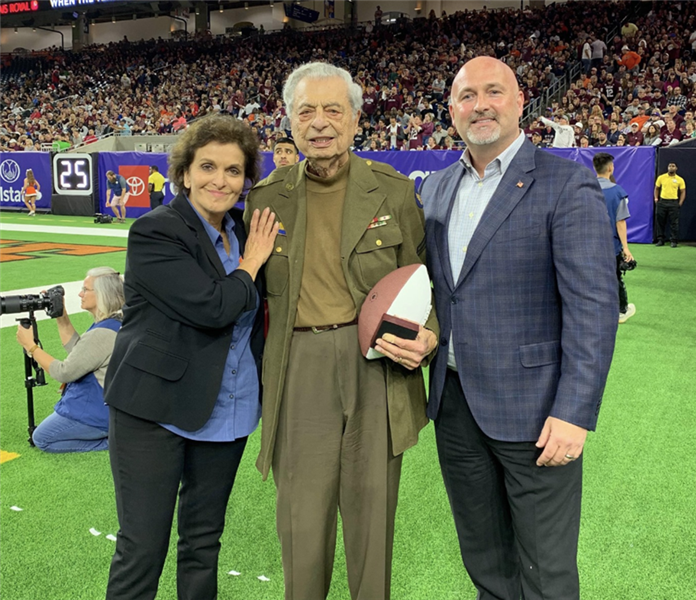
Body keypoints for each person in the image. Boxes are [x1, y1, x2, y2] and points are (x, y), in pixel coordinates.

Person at [420, 56, 618, 600]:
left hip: (535, 410)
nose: (479, 105)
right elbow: (436, 292)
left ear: (520, 101)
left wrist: (574, 411)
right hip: (454, 404)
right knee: (485, 558)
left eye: (493, 92)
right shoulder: (434, 189)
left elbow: (593, 307)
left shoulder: (566, 184)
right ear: (452, 110)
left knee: (545, 570)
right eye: (466, 96)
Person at [245, 62, 438, 600]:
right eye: (306, 111)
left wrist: (429, 335)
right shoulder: (265, 198)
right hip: (298, 366)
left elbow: (428, 282)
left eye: (334, 109)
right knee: (300, 522)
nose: (320, 122)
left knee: (371, 515)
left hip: (377, 365)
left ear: (356, 120)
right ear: (290, 121)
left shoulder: (393, 191)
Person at [103, 113, 279, 600]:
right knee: (143, 547)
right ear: (184, 173)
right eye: (207, 167)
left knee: (203, 543)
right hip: (154, 408)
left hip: (229, 408)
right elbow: (213, 307)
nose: (219, 180)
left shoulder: (247, 229)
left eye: (233, 170)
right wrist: (251, 264)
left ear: (246, 180)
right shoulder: (155, 231)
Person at [15, 268, 124, 452]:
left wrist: (31, 347)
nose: (80, 293)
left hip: (97, 412)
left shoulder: (101, 334)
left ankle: (112, 442)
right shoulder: (115, 323)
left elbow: (64, 372)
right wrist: (61, 315)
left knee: (42, 438)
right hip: (111, 406)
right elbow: (81, 353)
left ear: (102, 295)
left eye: (85, 289)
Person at [594, 153, 636, 324]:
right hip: (610, 245)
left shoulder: (583, 188)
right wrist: (626, 247)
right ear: (610, 168)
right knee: (614, 277)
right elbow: (620, 222)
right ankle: (621, 311)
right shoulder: (618, 192)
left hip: (587, 244)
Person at [654, 162, 686, 248]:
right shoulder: (661, 177)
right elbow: (657, 188)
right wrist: (656, 198)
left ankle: (674, 241)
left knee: (674, 222)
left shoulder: (680, 179)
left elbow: (683, 192)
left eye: (673, 166)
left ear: (676, 168)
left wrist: (680, 202)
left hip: (673, 202)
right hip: (662, 202)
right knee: (660, 222)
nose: (671, 167)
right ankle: (660, 239)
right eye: (669, 166)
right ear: (667, 168)